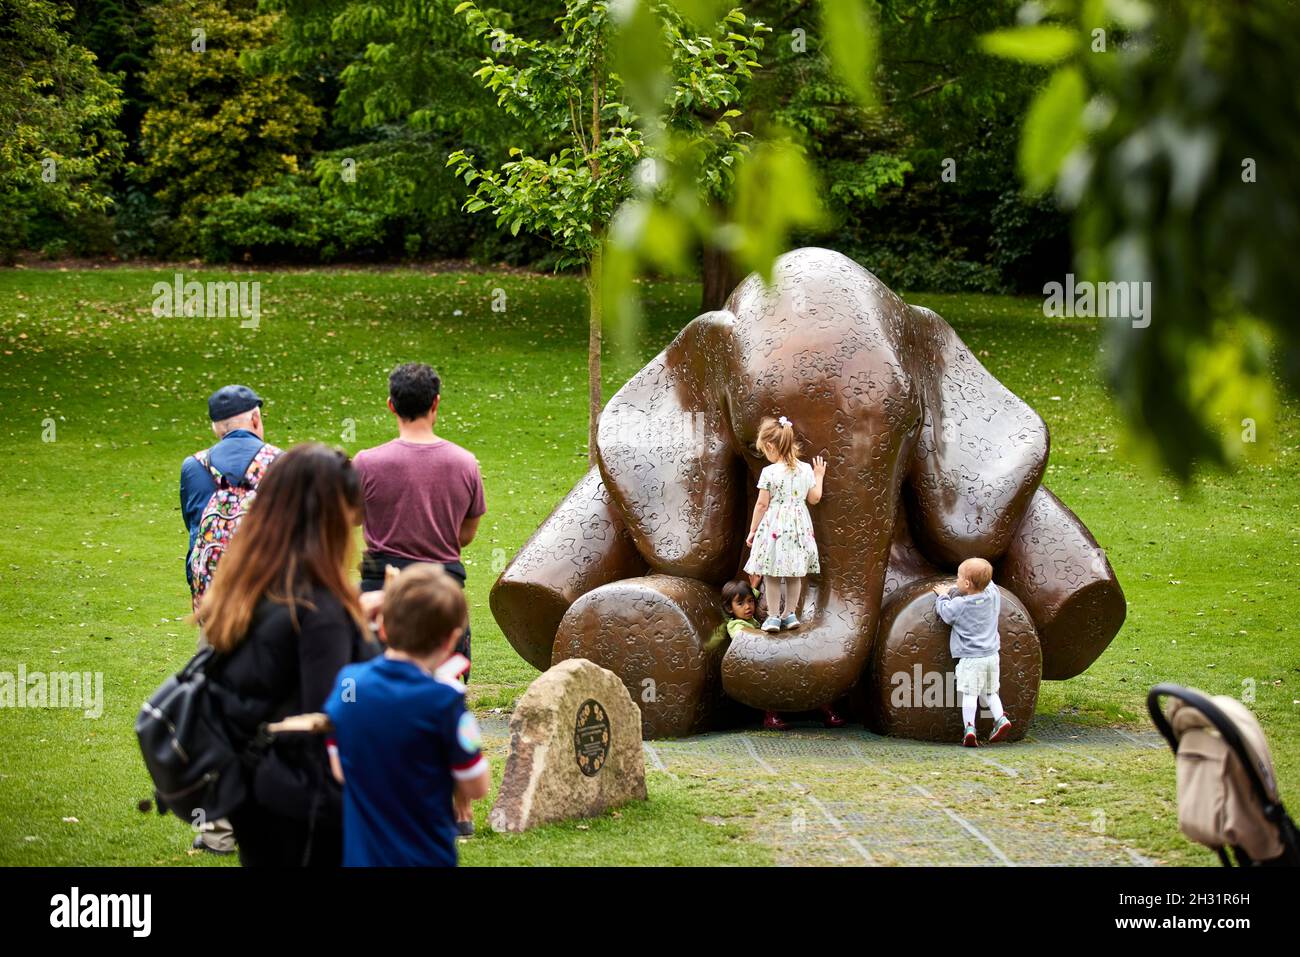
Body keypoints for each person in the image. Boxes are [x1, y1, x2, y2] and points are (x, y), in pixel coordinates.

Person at [200, 443, 381, 866]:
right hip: (310, 803)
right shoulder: (321, 611)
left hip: (254, 791)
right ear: (330, 521)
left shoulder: (247, 587)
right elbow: (332, 712)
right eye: (350, 523)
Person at [353, 363, 486, 835]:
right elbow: (466, 534)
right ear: (435, 404)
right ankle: (459, 813)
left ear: (391, 405)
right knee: (447, 693)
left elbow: (349, 518)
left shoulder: (366, 463)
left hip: (379, 590)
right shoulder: (464, 463)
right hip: (442, 590)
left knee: (372, 696)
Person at [324, 564, 490, 867]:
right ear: (452, 640)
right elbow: (476, 785)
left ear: (383, 627)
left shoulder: (349, 683)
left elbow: (338, 768)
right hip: (426, 856)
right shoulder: (446, 700)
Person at [179, 384, 281, 856]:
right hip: (273, 609)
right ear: (256, 419)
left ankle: (218, 829)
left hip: (216, 610)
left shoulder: (194, 467)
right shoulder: (283, 464)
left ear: (215, 427)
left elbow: (194, 531)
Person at [721, 577, 844, 731]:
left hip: (767, 656)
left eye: (750, 602)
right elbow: (746, 639)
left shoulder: (749, 616)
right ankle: (770, 715)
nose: (748, 607)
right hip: (753, 665)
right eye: (741, 604)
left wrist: (753, 585)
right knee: (769, 680)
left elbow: (751, 596)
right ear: (729, 608)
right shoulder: (735, 625)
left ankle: (827, 709)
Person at [743, 415, 825, 632]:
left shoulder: (769, 472)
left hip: (775, 527)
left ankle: (772, 617)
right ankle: (790, 615)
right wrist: (819, 475)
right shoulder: (806, 469)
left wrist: (752, 531)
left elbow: (761, 504)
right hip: (799, 527)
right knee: (794, 573)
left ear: (770, 446)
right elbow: (814, 498)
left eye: (764, 450)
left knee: (771, 573)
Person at [932, 558, 1013, 747]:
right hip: (992, 656)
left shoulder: (960, 605)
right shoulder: (993, 594)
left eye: (959, 578)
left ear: (967, 583)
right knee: (991, 692)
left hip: (971, 659)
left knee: (970, 694)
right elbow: (988, 581)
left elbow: (946, 613)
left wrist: (943, 595)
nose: (956, 580)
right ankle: (1000, 718)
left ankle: (969, 728)